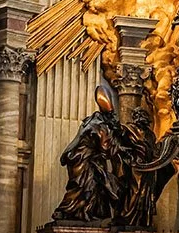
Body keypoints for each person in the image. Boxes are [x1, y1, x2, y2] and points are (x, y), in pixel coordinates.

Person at [51, 86, 124, 223]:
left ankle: (88, 213)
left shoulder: (91, 121)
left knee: (95, 187)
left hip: (79, 158)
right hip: (83, 160)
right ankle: (67, 210)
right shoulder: (100, 126)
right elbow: (105, 148)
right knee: (84, 186)